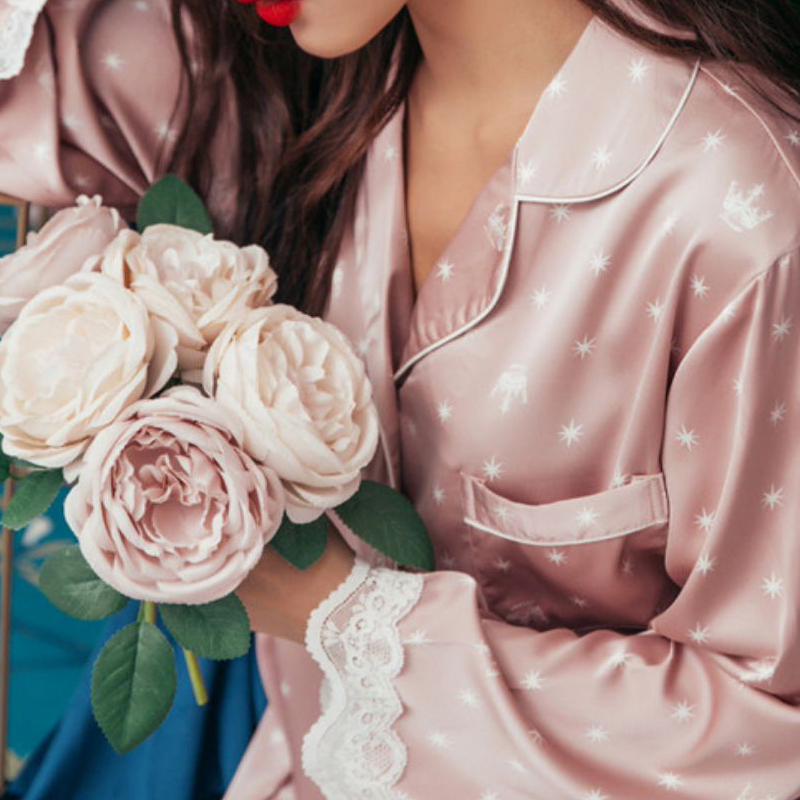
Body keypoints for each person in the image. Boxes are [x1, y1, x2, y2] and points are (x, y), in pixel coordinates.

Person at [2, 1, 800, 799]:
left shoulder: (738, 214)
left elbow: (767, 732)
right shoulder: (276, 88)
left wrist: (341, 614)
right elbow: (37, 75)